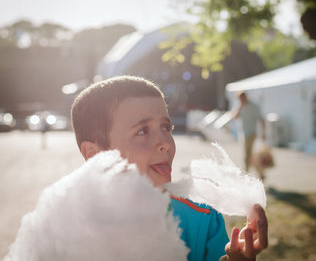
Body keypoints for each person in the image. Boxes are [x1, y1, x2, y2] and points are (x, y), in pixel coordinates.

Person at [71, 76, 268, 261]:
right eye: (142, 131)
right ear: (96, 155)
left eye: (166, 127)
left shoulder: (202, 218)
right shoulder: (68, 232)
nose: (165, 142)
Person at [233, 92, 266, 172]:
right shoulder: (239, 106)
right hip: (243, 133)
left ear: (246, 97)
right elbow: (235, 117)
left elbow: (261, 119)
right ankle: (261, 173)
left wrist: (264, 132)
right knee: (250, 155)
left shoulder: (253, 106)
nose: (241, 100)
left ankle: (246, 173)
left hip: (252, 133)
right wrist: (239, 108)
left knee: (247, 155)